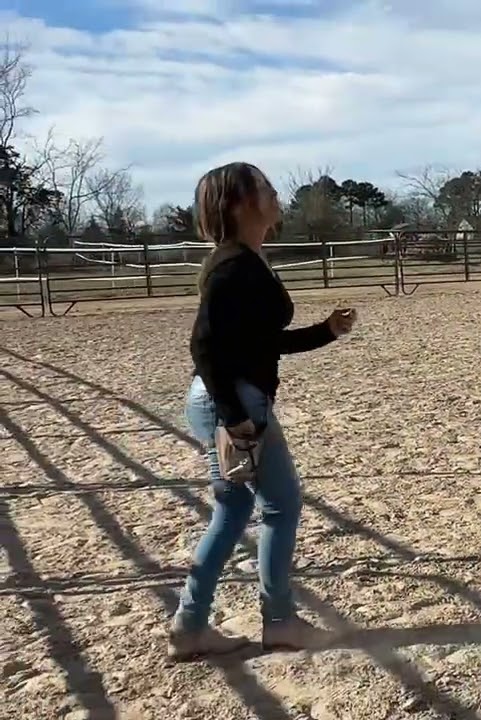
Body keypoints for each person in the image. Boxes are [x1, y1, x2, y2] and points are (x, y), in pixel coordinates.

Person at [167, 161, 358, 661]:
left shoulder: (247, 261)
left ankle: (190, 625)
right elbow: (204, 346)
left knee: (232, 510)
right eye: (265, 188)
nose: (276, 195)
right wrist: (235, 416)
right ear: (239, 204)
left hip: (225, 398)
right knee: (282, 505)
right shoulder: (232, 266)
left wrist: (326, 331)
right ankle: (279, 622)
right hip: (232, 400)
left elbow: (261, 342)